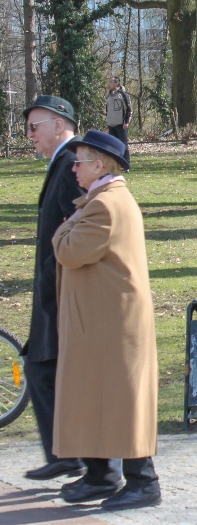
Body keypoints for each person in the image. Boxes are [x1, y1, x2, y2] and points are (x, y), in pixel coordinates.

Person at [52, 130, 161, 509]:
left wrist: (64, 226)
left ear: (99, 165)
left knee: (121, 402)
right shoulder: (101, 200)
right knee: (96, 397)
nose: (74, 168)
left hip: (113, 326)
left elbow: (69, 250)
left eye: (79, 162)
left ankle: (143, 482)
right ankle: (101, 475)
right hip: (102, 323)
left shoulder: (105, 206)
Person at [21, 96, 88, 482]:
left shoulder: (69, 165)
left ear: (59, 124)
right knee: (41, 368)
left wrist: (52, 275)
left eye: (35, 127)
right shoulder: (63, 163)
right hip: (53, 289)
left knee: (45, 369)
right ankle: (65, 453)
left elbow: (77, 226)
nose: (30, 135)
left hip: (61, 292)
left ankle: (78, 457)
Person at [105, 77, 132, 163]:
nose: (109, 84)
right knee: (113, 146)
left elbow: (129, 110)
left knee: (123, 145)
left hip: (121, 125)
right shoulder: (109, 96)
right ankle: (116, 164)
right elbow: (108, 111)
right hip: (111, 125)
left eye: (111, 82)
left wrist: (126, 122)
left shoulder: (123, 95)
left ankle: (126, 163)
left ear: (117, 84)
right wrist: (107, 124)